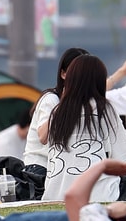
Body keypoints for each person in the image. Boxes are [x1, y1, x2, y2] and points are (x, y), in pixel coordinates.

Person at [40, 55, 126, 202]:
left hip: (54, 194)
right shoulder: (103, 107)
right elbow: (123, 156)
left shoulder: (58, 111)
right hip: (97, 193)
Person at [19, 47, 88, 193]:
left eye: (85, 72)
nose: (80, 77)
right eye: (75, 72)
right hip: (38, 170)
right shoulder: (51, 99)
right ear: (63, 74)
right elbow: (43, 137)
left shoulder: (84, 105)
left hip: (61, 170)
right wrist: (63, 105)